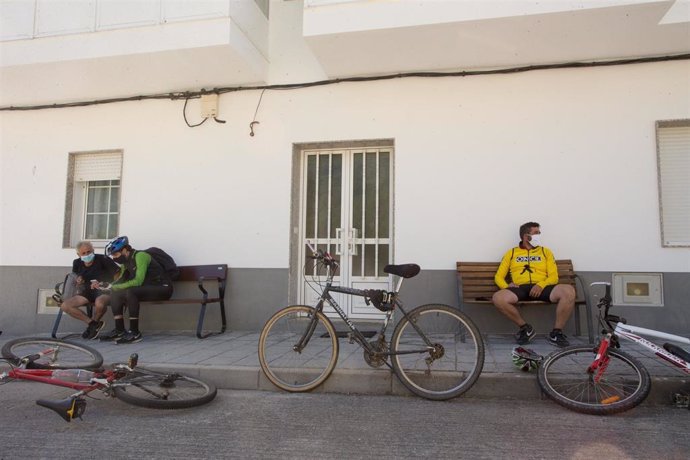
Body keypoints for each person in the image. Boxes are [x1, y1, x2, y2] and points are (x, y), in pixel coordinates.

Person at [492, 222, 576, 347]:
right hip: (520, 288)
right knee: (498, 298)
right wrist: (506, 286)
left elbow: (553, 277)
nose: (539, 236)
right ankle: (525, 328)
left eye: (539, 233)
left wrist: (541, 285)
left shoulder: (545, 252)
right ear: (526, 237)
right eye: (536, 233)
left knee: (568, 291)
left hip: (543, 287)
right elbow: (498, 276)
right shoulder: (512, 253)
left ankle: (556, 333)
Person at [98, 236, 173, 344]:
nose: (114, 258)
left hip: (163, 288)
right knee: (116, 292)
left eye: (115, 254)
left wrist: (115, 286)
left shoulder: (140, 256)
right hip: (147, 289)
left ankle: (134, 332)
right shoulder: (125, 262)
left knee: (131, 291)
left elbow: (138, 281)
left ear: (124, 250)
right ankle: (119, 330)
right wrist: (108, 285)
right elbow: (121, 279)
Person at [58, 241, 119, 340]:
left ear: (93, 250)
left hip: (104, 290)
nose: (87, 255)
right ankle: (93, 324)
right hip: (86, 291)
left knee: (99, 303)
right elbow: (76, 277)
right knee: (65, 305)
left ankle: (93, 326)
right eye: (84, 253)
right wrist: (79, 280)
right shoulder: (77, 262)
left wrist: (109, 285)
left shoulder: (103, 259)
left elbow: (117, 274)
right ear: (79, 254)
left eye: (89, 252)